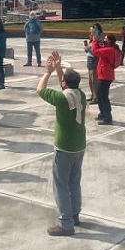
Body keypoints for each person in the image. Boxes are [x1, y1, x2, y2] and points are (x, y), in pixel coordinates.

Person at [35, 51, 87, 237]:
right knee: (74, 181)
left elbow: (40, 89)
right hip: (79, 145)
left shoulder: (60, 99)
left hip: (64, 147)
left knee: (61, 184)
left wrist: (48, 71)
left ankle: (66, 224)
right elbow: (65, 87)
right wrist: (59, 68)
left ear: (64, 82)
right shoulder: (80, 95)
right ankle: (74, 215)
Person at [90, 34, 118, 125]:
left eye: (105, 39)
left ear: (109, 41)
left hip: (106, 76)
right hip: (104, 75)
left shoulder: (109, 50)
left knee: (104, 96)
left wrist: (94, 41)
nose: (104, 40)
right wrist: (97, 41)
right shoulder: (109, 48)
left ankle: (107, 117)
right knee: (100, 95)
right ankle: (103, 113)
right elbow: (100, 48)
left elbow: (95, 51)